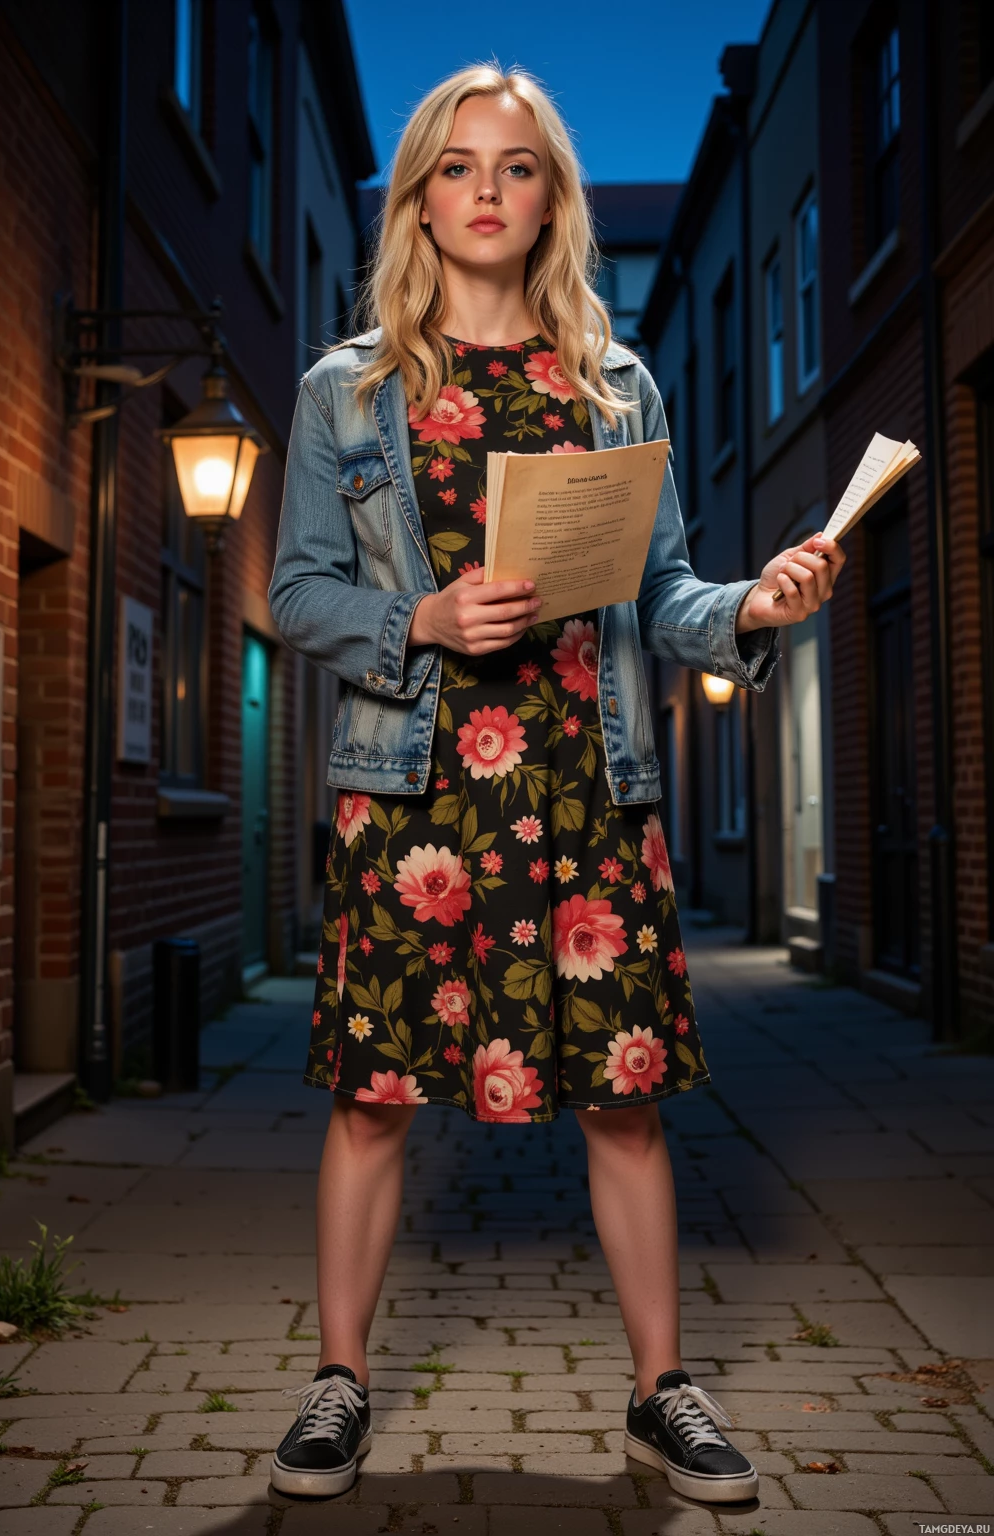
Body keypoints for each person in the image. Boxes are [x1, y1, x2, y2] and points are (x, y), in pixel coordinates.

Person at [267, 63, 844, 1506]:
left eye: (517, 168)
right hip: (413, 799)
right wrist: (420, 618)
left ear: (551, 201)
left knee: (625, 1095)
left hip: (586, 786)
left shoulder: (614, 386)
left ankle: (663, 1392)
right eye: (458, 167)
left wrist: (754, 607)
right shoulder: (348, 391)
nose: (487, 191)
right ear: (420, 199)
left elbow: (666, 594)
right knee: (375, 1095)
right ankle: (339, 1381)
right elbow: (297, 593)